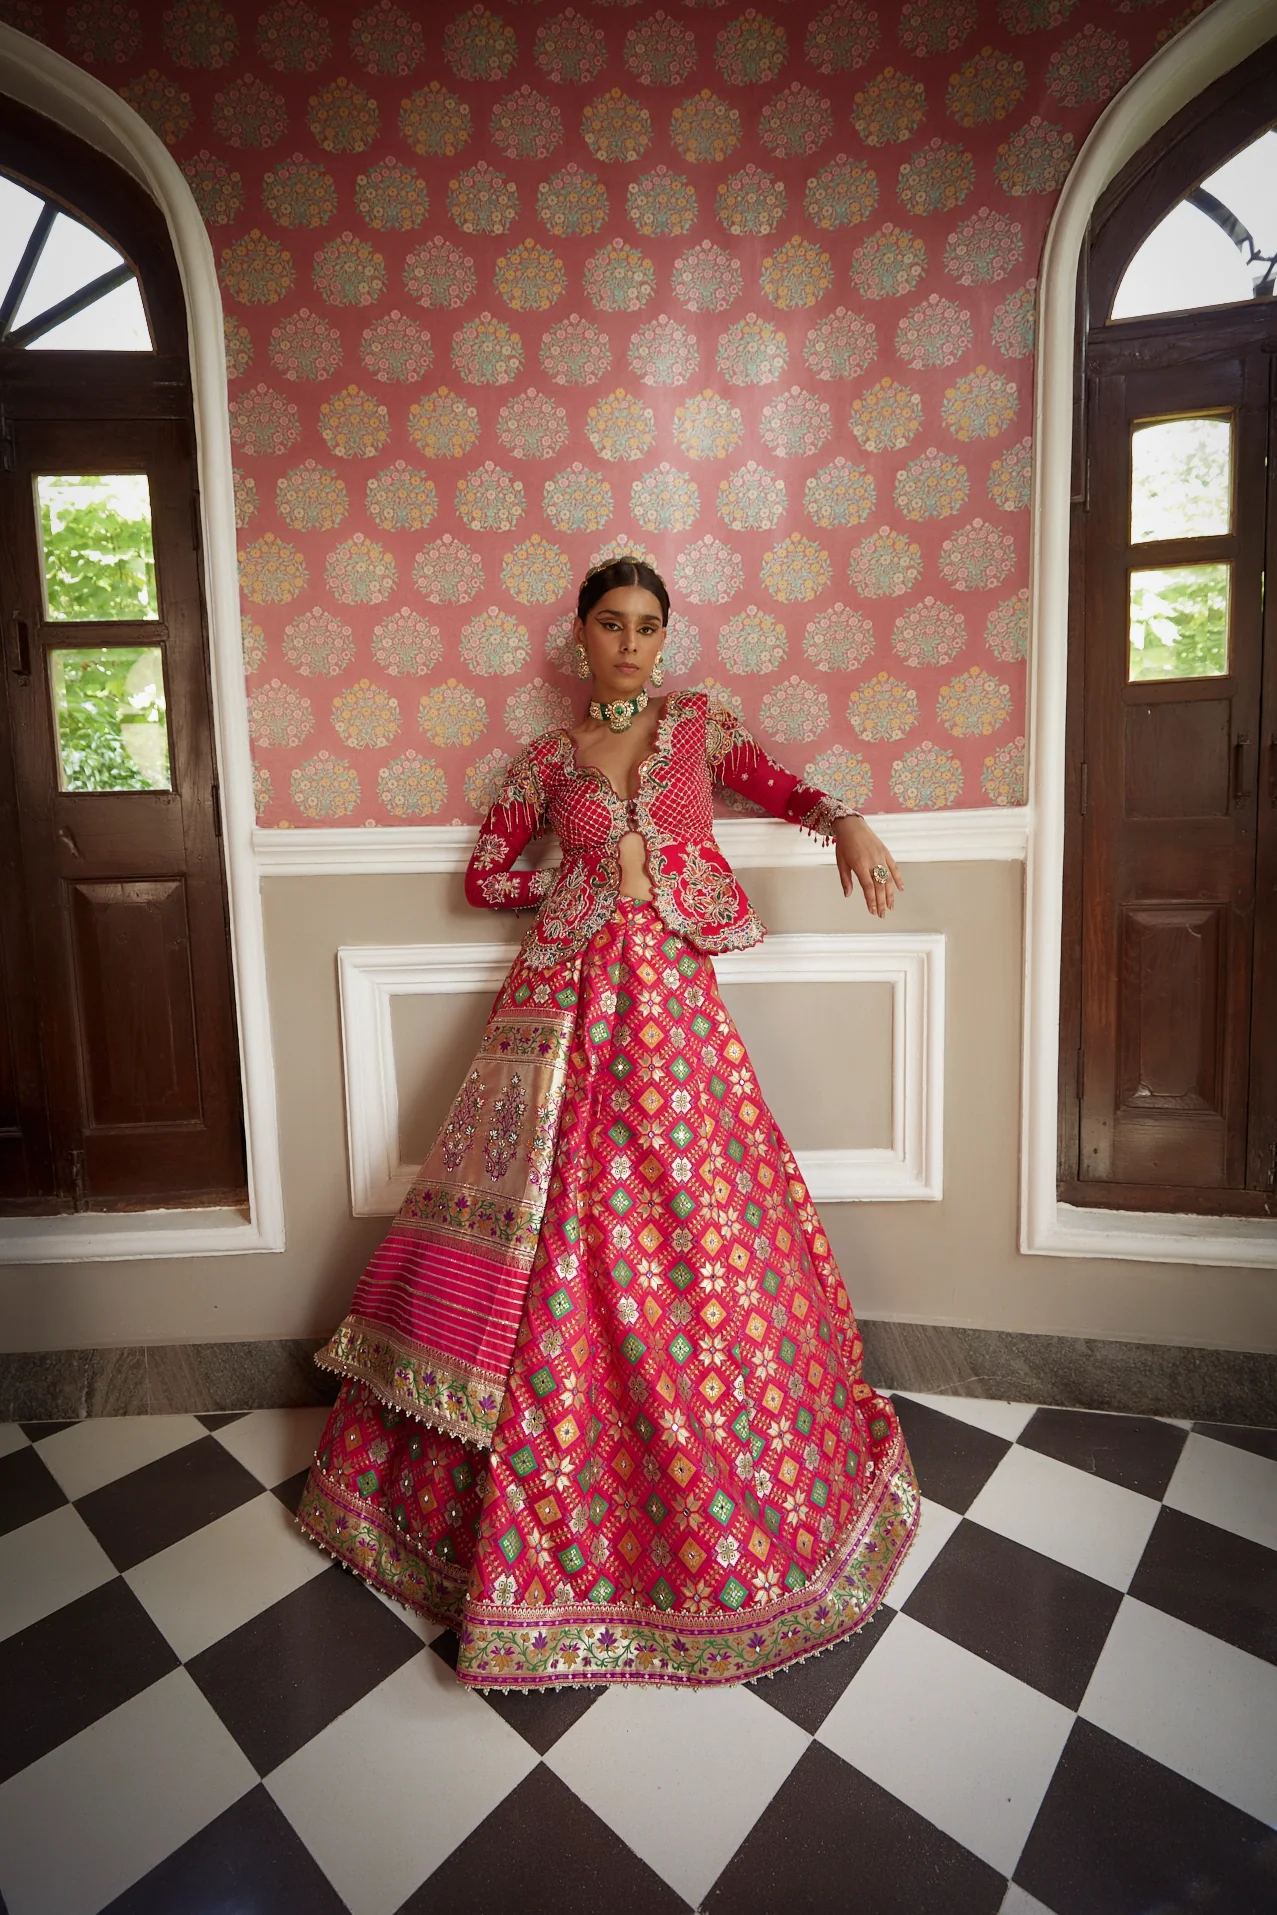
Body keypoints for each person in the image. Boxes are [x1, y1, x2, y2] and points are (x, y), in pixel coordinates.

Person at [298, 557, 920, 1689]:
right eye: (610, 624)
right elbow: (485, 877)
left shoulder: (698, 729)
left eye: (647, 626)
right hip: (566, 1009)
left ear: (663, 638)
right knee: (556, 1217)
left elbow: (784, 788)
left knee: (700, 1217)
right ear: (578, 637)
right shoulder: (544, 762)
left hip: (674, 1012)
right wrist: (582, 881)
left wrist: (847, 821)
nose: (631, 644)